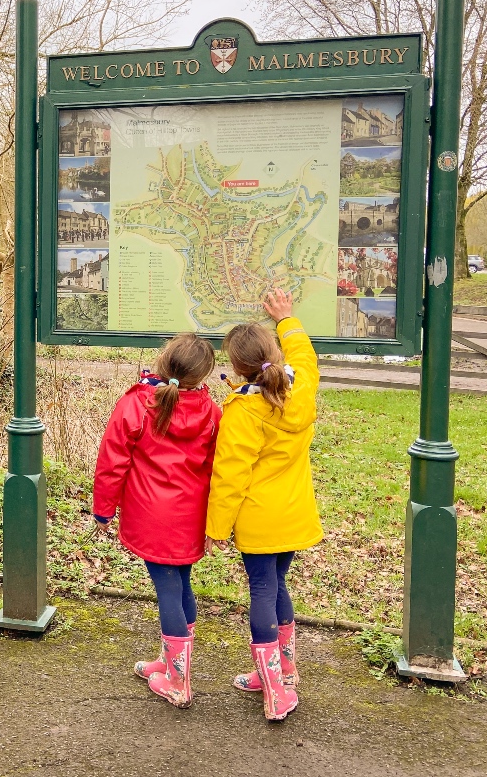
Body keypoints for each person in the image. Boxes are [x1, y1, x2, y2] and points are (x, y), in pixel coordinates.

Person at [206, 288, 323, 722]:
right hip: (294, 514)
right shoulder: (299, 392)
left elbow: (230, 476)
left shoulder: (242, 411)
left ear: (236, 369)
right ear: (273, 355)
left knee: (262, 591)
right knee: (278, 587)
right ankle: (282, 672)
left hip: (259, 520)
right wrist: (287, 319)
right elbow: (306, 360)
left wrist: (216, 527)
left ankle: (275, 689)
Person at [92, 333, 221, 708]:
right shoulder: (211, 412)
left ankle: (178, 681)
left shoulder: (137, 404)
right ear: (204, 374)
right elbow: (217, 467)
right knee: (181, 585)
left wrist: (104, 509)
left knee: (168, 591)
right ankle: (170, 661)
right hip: (190, 516)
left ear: (164, 361)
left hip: (151, 517)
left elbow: (112, 460)